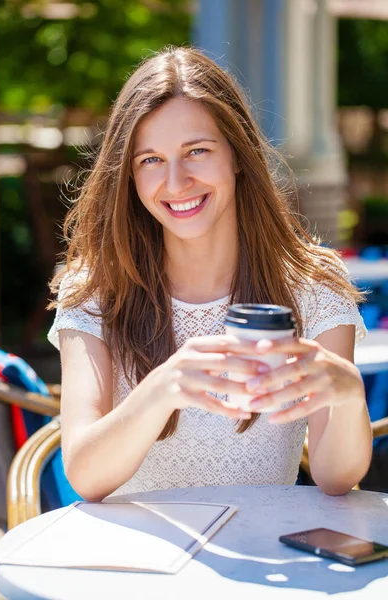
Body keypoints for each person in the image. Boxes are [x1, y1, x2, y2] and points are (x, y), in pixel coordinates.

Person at [48, 46, 372, 502]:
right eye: (151, 160)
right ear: (129, 175)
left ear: (237, 155)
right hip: (139, 565)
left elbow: (336, 478)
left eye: (196, 151)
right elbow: (84, 474)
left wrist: (347, 393)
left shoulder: (312, 284)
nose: (176, 183)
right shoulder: (96, 291)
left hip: (265, 555)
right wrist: (163, 387)